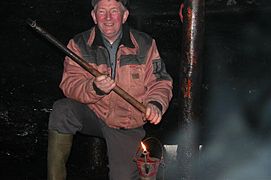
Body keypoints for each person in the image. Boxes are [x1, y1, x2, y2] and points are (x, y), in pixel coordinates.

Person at [47, 0, 173, 179]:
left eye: (114, 11)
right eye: (101, 11)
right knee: (62, 110)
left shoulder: (145, 44)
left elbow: (161, 82)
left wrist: (155, 104)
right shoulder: (79, 43)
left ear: (125, 15)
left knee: (122, 176)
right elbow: (69, 83)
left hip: (125, 124)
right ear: (93, 16)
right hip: (94, 113)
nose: (107, 18)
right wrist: (94, 88)